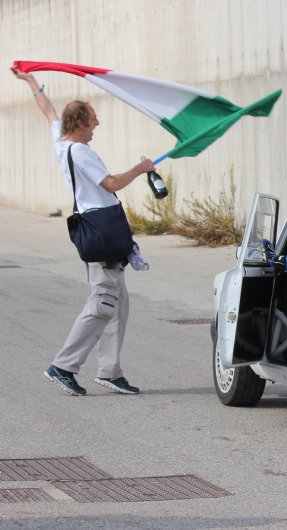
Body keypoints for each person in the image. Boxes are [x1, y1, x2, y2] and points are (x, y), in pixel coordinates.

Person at [11, 66, 155, 396]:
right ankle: (63, 366)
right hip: (102, 234)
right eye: (92, 120)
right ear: (78, 123)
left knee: (117, 306)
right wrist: (141, 168)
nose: (97, 124)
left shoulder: (61, 142)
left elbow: (48, 111)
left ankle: (110, 371)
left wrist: (31, 81)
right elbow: (112, 183)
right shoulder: (80, 151)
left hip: (98, 231)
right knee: (102, 304)